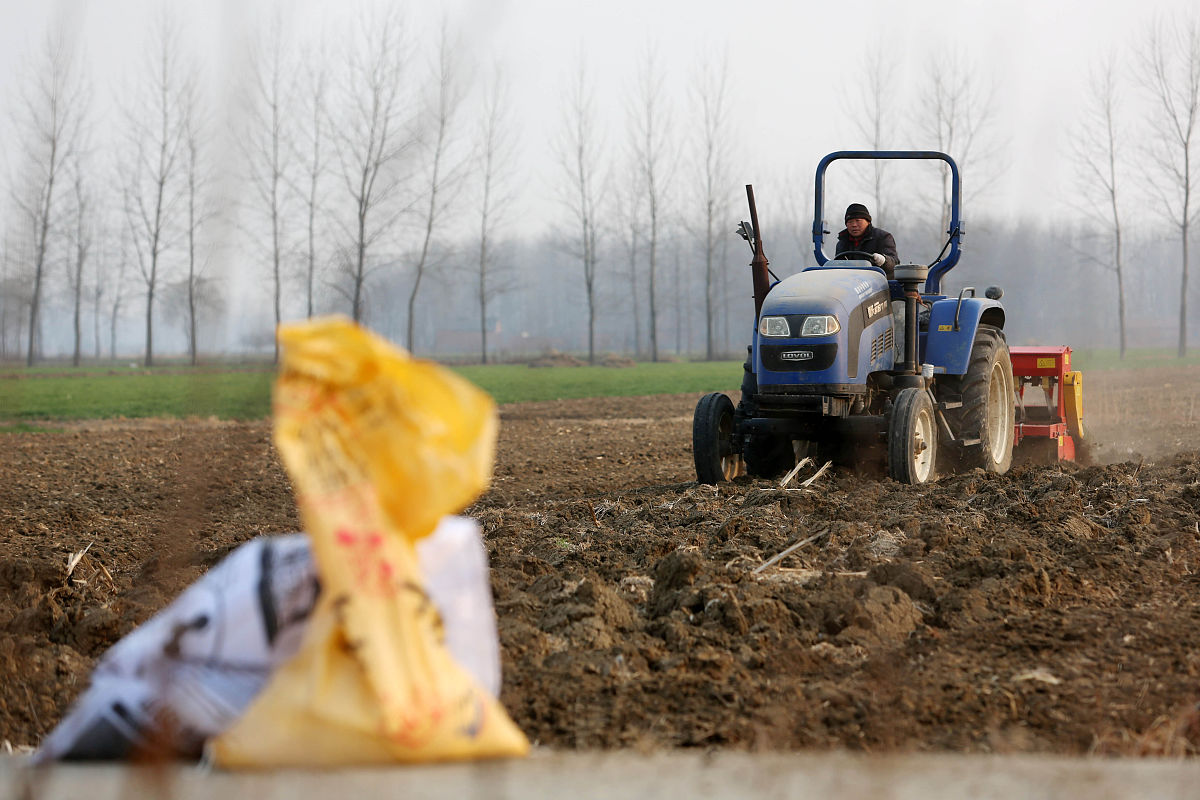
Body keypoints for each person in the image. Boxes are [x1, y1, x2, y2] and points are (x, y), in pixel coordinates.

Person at [835, 203, 899, 279]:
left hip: (879, 282)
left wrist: (883, 260)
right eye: (850, 222)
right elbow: (837, 266)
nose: (854, 225)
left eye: (858, 221)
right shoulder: (842, 243)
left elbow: (894, 264)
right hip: (849, 282)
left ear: (868, 222)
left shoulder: (883, 237)